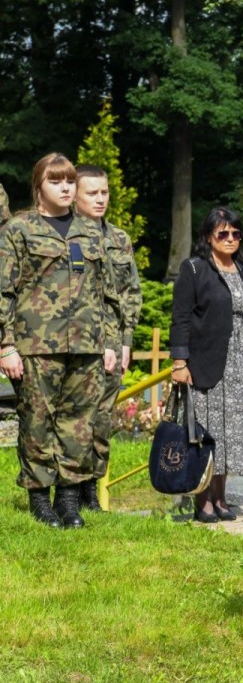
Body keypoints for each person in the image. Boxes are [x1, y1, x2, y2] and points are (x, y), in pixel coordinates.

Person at [0, 153, 119, 528]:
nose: (66, 187)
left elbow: (108, 294)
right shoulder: (19, 230)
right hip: (37, 345)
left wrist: (111, 343)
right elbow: (2, 291)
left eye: (69, 181)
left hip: (87, 344)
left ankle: (68, 501)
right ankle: (40, 500)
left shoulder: (90, 231)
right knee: (37, 422)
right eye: (57, 181)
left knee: (79, 425)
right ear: (40, 186)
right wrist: (6, 346)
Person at [170, 207, 243, 523]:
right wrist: (180, 361)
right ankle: (203, 499)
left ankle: (221, 498)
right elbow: (180, 318)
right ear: (208, 236)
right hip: (205, 360)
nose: (230, 239)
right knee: (206, 431)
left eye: (236, 233)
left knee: (230, 433)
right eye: (222, 233)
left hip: (238, 361)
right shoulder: (195, 269)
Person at [74, 164, 142, 511]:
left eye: (104, 192)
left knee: (101, 419)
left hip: (114, 346)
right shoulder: (66, 236)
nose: (101, 199)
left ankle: (90, 490)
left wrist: (126, 341)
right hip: (79, 345)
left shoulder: (118, 239)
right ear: (75, 195)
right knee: (75, 419)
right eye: (92, 193)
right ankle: (67, 491)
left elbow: (131, 292)